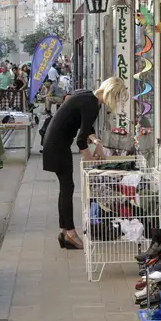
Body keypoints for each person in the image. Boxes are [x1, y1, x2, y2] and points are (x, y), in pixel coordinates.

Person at [42, 76, 128, 250]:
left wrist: (97, 143)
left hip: (53, 142)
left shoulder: (87, 96)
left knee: (66, 188)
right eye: (116, 97)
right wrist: (91, 162)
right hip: (58, 145)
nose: (114, 102)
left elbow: (86, 128)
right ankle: (70, 233)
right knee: (67, 188)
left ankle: (65, 231)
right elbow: (81, 140)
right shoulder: (92, 104)